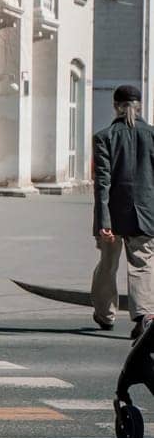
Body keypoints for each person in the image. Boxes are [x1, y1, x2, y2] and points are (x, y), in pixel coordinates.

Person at [92, 82, 154, 339]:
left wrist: (102, 222)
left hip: (114, 214)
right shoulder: (151, 135)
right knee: (142, 263)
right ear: (139, 106)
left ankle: (105, 314)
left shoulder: (104, 137)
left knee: (108, 263)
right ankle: (143, 316)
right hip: (146, 213)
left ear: (115, 106)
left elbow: (103, 183)